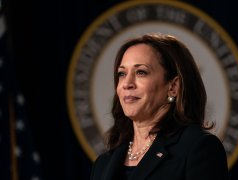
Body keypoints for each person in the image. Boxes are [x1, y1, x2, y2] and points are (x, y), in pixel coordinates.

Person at [90, 33, 229, 180]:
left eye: (141, 72)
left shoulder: (198, 148)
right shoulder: (103, 163)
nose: (127, 84)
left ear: (173, 87)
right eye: (122, 74)